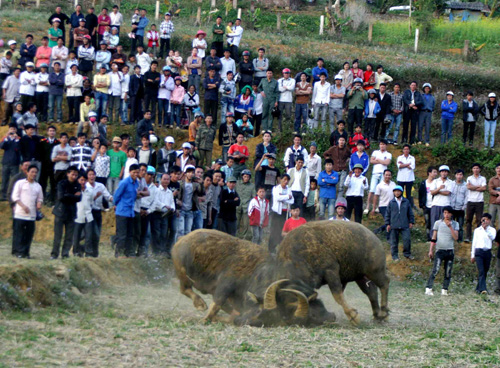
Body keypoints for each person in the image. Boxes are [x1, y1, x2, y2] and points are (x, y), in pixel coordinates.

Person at [11, 165, 43, 258]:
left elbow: (40, 198)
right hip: (20, 213)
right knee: (19, 234)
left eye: (35, 172)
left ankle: (25, 252)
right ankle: (18, 252)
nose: (34, 174)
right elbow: (15, 197)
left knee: (28, 235)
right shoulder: (20, 183)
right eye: (32, 172)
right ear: (27, 172)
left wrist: (39, 203)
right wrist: (23, 206)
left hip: (31, 214)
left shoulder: (38, 186)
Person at [425, 206, 458, 296]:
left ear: (451, 214)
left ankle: (445, 289)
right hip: (440, 250)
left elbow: (456, 237)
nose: (446, 215)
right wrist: (431, 250)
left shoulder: (455, 224)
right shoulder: (438, 223)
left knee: (448, 271)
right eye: (445, 213)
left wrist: (450, 227)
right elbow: (434, 237)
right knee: (435, 269)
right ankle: (428, 288)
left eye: (448, 213)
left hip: (450, 250)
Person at [51, 166, 81, 259]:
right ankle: (54, 254)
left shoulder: (78, 185)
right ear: (68, 174)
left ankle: (65, 254)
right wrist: (73, 196)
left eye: (76, 174)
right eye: (72, 174)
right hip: (60, 212)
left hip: (71, 213)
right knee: (58, 235)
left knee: (69, 236)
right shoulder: (61, 183)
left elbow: (79, 198)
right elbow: (61, 197)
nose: (74, 176)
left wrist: (68, 196)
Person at [114, 164, 140, 257]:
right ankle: (118, 254)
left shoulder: (137, 183)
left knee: (130, 234)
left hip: (131, 212)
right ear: (130, 172)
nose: (136, 174)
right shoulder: (124, 183)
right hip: (122, 211)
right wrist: (116, 205)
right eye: (134, 172)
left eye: (137, 172)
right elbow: (116, 196)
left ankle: (128, 253)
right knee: (122, 235)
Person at [385, 185, 415, 261]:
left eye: (398, 191)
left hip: (404, 224)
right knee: (394, 242)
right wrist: (387, 224)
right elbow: (387, 214)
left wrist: (411, 221)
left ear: (401, 192)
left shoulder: (406, 201)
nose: (397, 193)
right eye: (395, 191)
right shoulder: (391, 202)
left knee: (407, 240)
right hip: (394, 225)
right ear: (393, 192)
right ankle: (395, 256)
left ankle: (407, 254)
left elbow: (410, 212)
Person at [471, 213, 496, 294]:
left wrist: (486, 230)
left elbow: (492, 237)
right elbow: (474, 243)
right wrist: (472, 255)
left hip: (487, 252)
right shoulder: (477, 231)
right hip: (479, 252)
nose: (485, 221)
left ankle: (478, 289)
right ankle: (483, 289)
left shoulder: (492, 230)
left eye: (486, 219)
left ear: (489, 221)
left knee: (485, 271)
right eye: (483, 219)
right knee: (481, 270)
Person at [269, 174, 294, 252]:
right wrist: (287, 197)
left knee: (284, 231)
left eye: (287, 180)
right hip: (277, 213)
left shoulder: (289, 189)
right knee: (275, 230)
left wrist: (284, 197)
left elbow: (292, 200)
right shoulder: (275, 188)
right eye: (284, 179)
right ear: (280, 180)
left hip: (286, 213)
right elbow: (277, 198)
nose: (285, 182)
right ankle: (271, 249)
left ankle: (282, 247)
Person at [366, 139, 391, 214]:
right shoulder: (375, 152)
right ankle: (367, 206)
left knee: (381, 191)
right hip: (375, 173)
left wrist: (379, 160)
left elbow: (387, 163)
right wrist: (382, 161)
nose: (382, 146)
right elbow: (372, 161)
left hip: (383, 174)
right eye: (381, 144)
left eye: (383, 144)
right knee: (372, 190)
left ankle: (377, 206)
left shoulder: (388, 154)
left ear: (386, 145)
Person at [178, 165, 204, 237]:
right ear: (185, 173)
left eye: (192, 172)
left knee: (188, 231)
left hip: (190, 210)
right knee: (180, 231)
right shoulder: (180, 183)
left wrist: (201, 184)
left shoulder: (195, 185)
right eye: (189, 172)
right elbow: (177, 196)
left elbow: (201, 193)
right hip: (181, 210)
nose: (191, 174)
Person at [72, 172, 94, 257]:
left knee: (88, 236)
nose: (83, 182)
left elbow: (91, 202)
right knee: (76, 236)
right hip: (78, 216)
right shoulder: (74, 191)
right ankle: (76, 252)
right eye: (81, 180)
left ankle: (88, 253)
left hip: (88, 216)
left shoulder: (90, 191)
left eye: (84, 180)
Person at [372, 169, 396, 236]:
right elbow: (376, 197)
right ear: (383, 175)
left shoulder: (393, 184)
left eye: (389, 175)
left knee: (392, 221)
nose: (387, 176)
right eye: (386, 175)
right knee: (388, 221)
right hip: (383, 206)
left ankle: (380, 229)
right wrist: (374, 208)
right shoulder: (379, 185)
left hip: (392, 205)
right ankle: (388, 236)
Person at [39, 126, 59, 204]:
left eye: (53, 131)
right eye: (50, 131)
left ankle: (52, 199)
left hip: (54, 166)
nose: (52, 132)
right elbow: (40, 153)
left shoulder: (58, 142)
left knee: (53, 182)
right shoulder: (42, 142)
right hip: (44, 165)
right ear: (47, 132)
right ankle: (42, 198)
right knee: (42, 182)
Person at [0, 125, 20, 201]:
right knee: (5, 179)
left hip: (14, 163)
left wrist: (16, 139)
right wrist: (7, 137)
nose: (12, 131)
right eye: (11, 129)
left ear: (16, 130)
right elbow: (2, 146)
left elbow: (19, 149)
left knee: (14, 180)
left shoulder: (18, 140)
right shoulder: (6, 139)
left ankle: (13, 195)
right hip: (6, 162)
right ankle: (3, 195)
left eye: (14, 129)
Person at [430, 165, 453, 230]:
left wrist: (437, 191)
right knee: (434, 222)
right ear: (440, 173)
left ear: (447, 173)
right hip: (436, 204)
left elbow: (447, 193)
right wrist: (439, 188)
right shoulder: (435, 181)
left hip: (446, 204)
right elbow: (432, 192)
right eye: (442, 171)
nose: (444, 173)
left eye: (445, 172)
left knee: (445, 222)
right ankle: (433, 238)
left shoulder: (450, 182)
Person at [418, 166, 438, 241]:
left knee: (434, 222)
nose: (435, 174)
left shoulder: (437, 182)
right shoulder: (424, 183)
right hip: (426, 205)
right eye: (434, 172)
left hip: (434, 204)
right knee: (427, 222)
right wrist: (421, 204)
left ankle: (434, 237)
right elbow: (420, 194)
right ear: (429, 173)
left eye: (436, 172)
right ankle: (428, 237)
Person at [236, 169, 255, 240]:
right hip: (237, 206)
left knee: (246, 225)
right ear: (242, 176)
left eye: (247, 177)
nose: (246, 178)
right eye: (245, 176)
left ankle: (243, 239)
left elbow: (254, 197)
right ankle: (235, 237)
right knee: (236, 224)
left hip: (247, 207)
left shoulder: (252, 186)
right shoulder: (237, 183)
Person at [450, 169, 467, 243]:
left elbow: (467, 196)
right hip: (452, 208)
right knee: (451, 224)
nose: (459, 176)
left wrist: (464, 207)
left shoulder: (466, 185)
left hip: (460, 208)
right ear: (455, 175)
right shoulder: (451, 184)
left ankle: (460, 240)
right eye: (457, 174)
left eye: (461, 174)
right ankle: (452, 239)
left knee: (460, 225)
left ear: (463, 176)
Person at [487, 163, 500, 228]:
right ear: (495, 169)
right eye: (497, 168)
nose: (499, 169)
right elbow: (490, 190)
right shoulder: (492, 179)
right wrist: (498, 193)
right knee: (491, 220)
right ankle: (491, 237)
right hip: (493, 202)